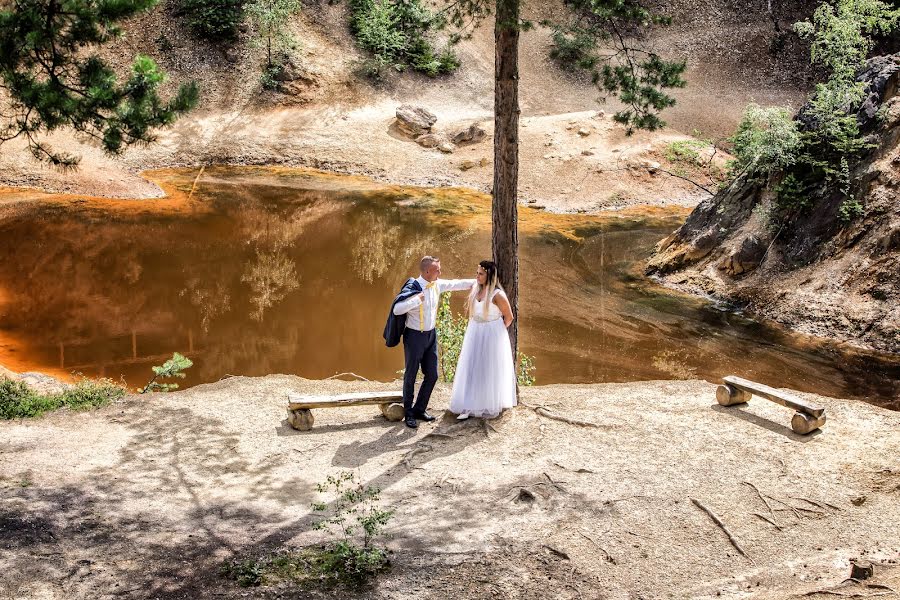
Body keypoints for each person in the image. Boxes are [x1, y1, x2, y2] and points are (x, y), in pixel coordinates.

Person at [391, 256, 475, 428]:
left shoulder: (438, 284)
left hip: (431, 336)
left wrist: (479, 280)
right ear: (428, 271)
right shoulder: (413, 287)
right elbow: (397, 309)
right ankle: (408, 413)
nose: (440, 272)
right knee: (411, 375)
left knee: (433, 375)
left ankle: (419, 409)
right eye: (438, 269)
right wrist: (416, 300)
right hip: (414, 337)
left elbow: (456, 284)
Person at [449, 260, 517, 420]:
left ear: (489, 275)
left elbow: (509, 317)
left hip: (491, 334)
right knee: (471, 366)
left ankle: (487, 403)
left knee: (488, 369)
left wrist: (496, 332)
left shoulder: (497, 295)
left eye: (480, 274)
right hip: (474, 331)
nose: (477, 276)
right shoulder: (475, 289)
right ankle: (468, 405)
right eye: (477, 273)